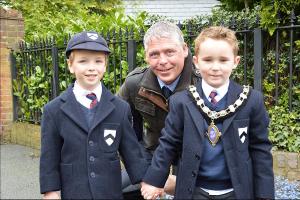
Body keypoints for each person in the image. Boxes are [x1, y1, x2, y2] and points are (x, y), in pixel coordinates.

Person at [141, 26, 275, 199]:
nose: (215, 67)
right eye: (208, 60)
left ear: (236, 62)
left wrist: (265, 195)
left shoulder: (251, 100)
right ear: (196, 61)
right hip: (194, 191)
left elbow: (260, 150)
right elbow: (168, 144)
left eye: (223, 60)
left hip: (236, 192)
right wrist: (154, 180)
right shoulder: (181, 101)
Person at [39, 31, 148, 199]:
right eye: (83, 61)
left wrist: (146, 182)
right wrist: (51, 191)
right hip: (74, 192)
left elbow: (131, 152)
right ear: (70, 65)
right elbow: (49, 158)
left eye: (98, 61)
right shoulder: (53, 110)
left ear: (105, 65)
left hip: (109, 193)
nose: (91, 67)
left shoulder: (120, 108)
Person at [117, 21, 199, 197]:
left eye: (170, 52)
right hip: (154, 151)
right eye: (154, 54)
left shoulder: (204, 83)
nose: (163, 61)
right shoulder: (135, 84)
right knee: (114, 189)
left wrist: (175, 181)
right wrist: (143, 171)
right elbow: (120, 127)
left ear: (184, 49)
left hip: (196, 157)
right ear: (146, 56)